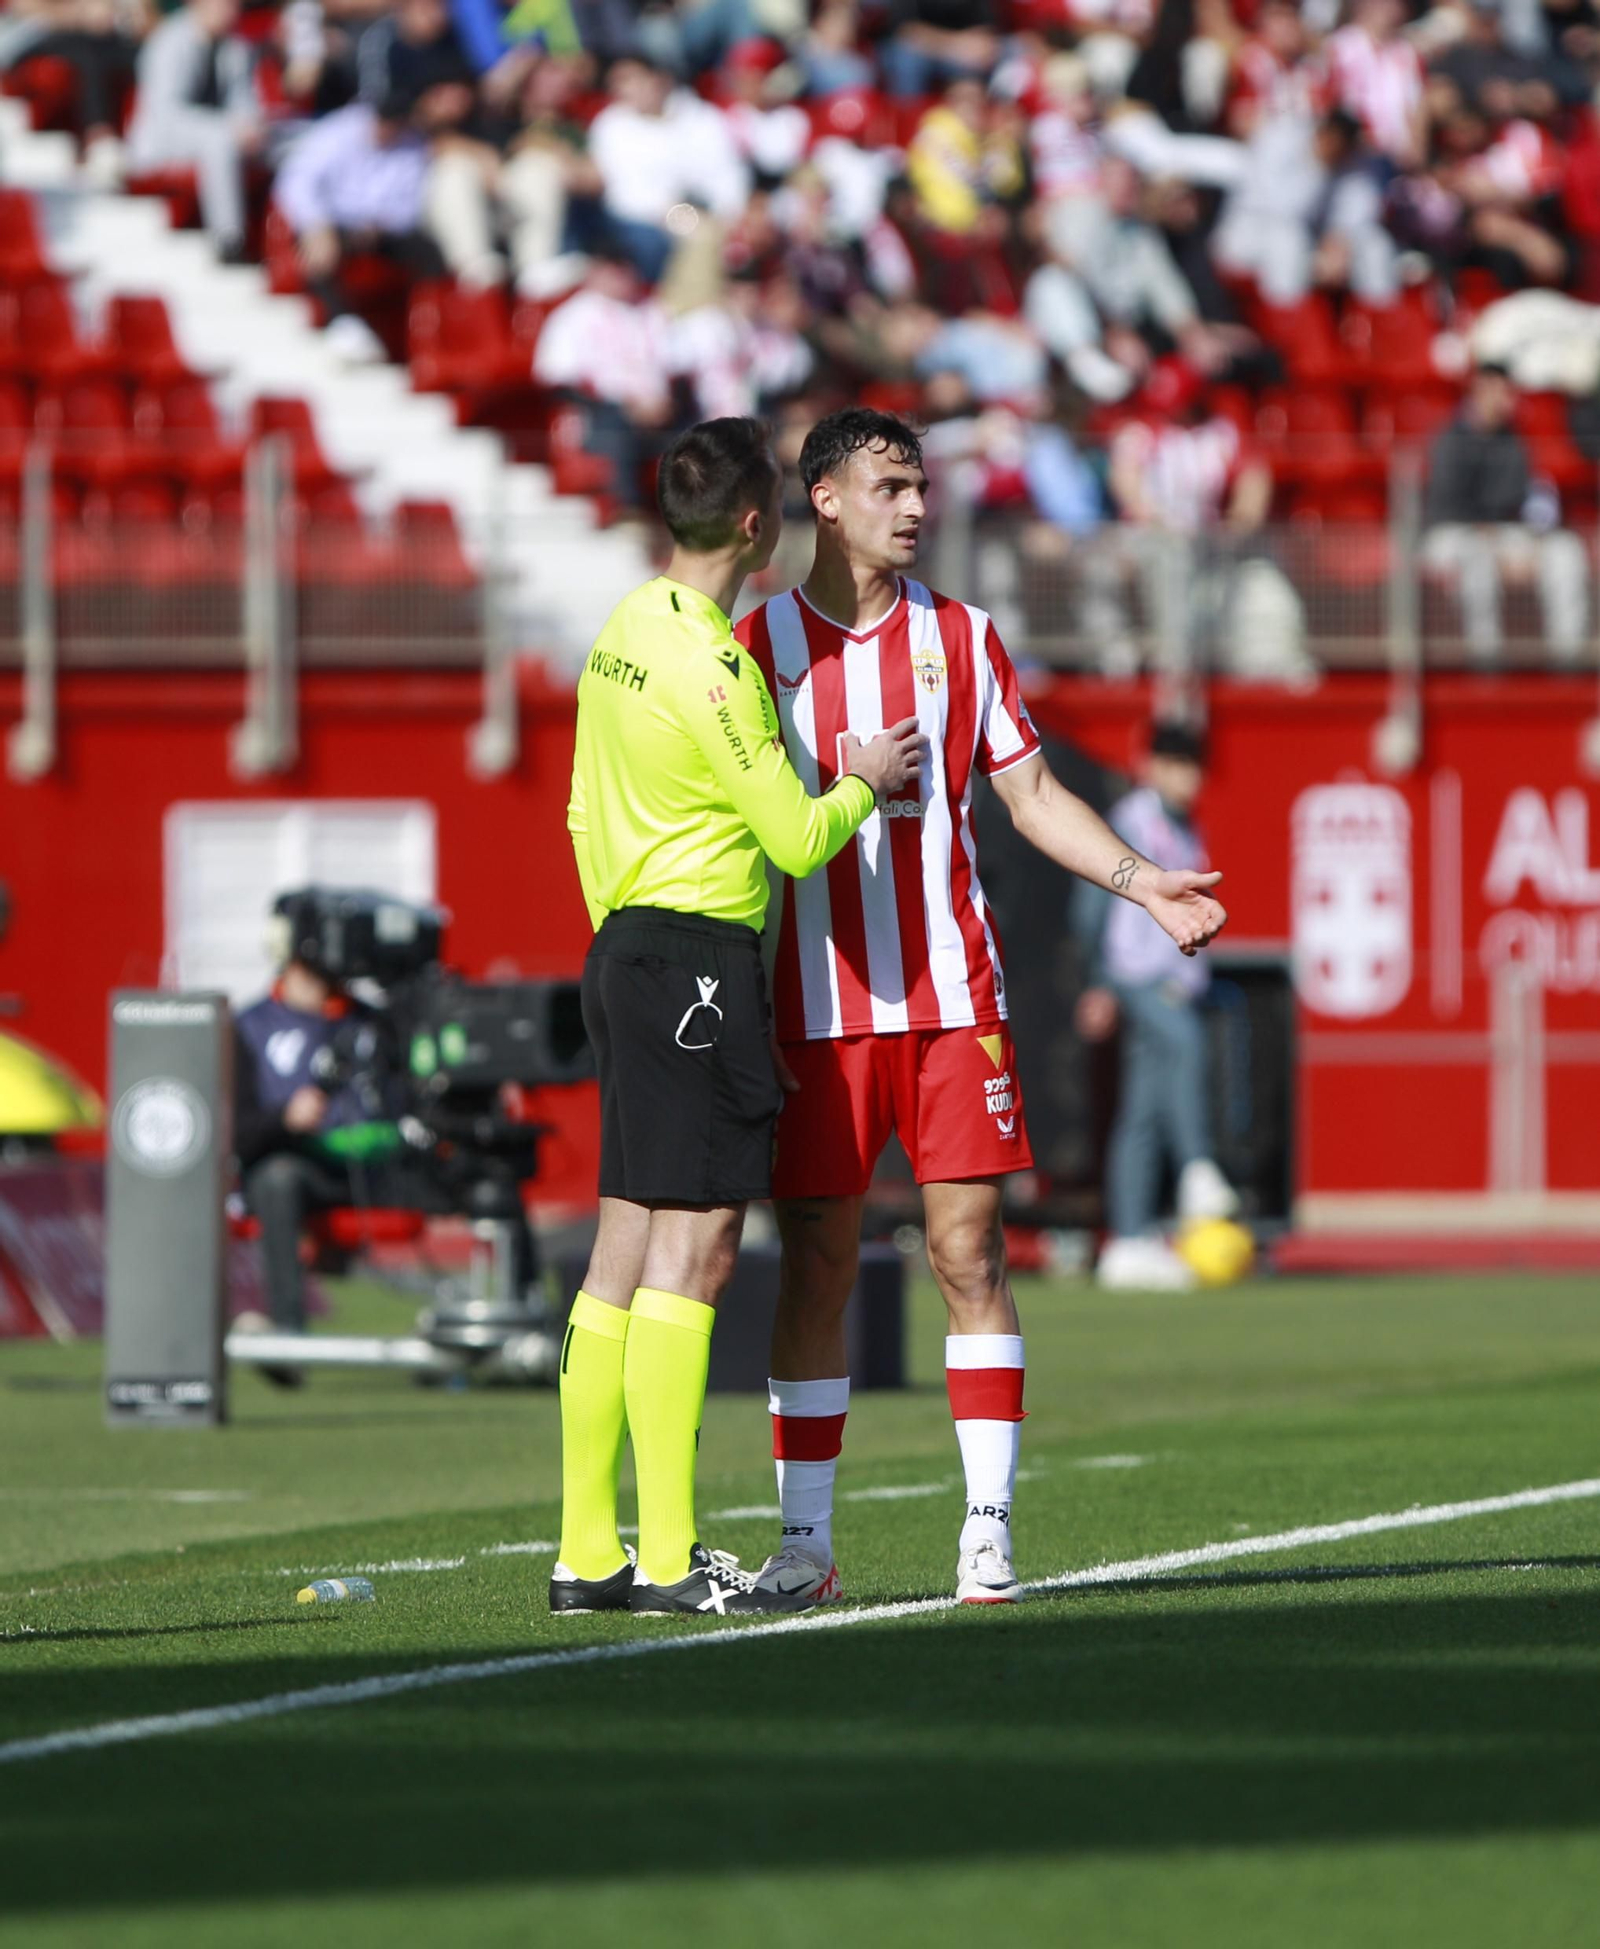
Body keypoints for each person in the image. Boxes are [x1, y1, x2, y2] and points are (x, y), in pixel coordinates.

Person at [733, 407, 1228, 1609]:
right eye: (889, 485)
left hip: (955, 998)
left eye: (920, 486)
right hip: (816, 1003)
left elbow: (1033, 792)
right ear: (826, 497)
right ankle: (805, 1542)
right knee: (817, 1264)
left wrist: (1142, 882)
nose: (913, 507)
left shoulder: (963, 636)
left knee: (969, 1250)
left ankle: (988, 1529)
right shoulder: (753, 647)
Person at [555, 414, 927, 1619]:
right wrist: (863, 776)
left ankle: (588, 1550)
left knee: (620, 1250)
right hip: (696, 963)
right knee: (696, 1248)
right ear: (761, 526)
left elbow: (573, 811)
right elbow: (793, 835)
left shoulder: (623, 627)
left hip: (622, 946)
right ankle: (664, 1555)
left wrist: (627, 935)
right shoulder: (712, 665)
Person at [1072, 720, 1240, 1292]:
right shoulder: (1132, 821)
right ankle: (1197, 1168)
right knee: (1187, 1045)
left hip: (1173, 977)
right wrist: (1096, 981)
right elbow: (1093, 901)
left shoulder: (1185, 825)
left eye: (1193, 768)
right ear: (1152, 764)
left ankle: (1130, 1238)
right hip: (1133, 972)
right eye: (1176, 765)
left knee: (1141, 1111)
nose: (1186, 779)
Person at [1421, 361, 1588, 666]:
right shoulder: (1450, 441)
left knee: (1566, 551)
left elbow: (1524, 502)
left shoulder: (1513, 440)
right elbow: (1450, 509)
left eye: (1508, 393)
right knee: (1477, 557)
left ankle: (1568, 661)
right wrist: (1499, 547)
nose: (1505, 400)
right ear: (1478, 392)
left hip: (1503, 534)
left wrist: (1534, 543)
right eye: (1497, 392)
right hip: (1450, 537)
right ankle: (1487, 663)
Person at [125, 0, 264, 258]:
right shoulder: (168, 41)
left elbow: (245, 100)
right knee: (219, 139)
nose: (229, 11)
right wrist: (228, 127)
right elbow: (165, 113)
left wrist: (251, 126)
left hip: (214, 136)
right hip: (164, 140)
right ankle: (229, 238)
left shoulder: (237, 47)